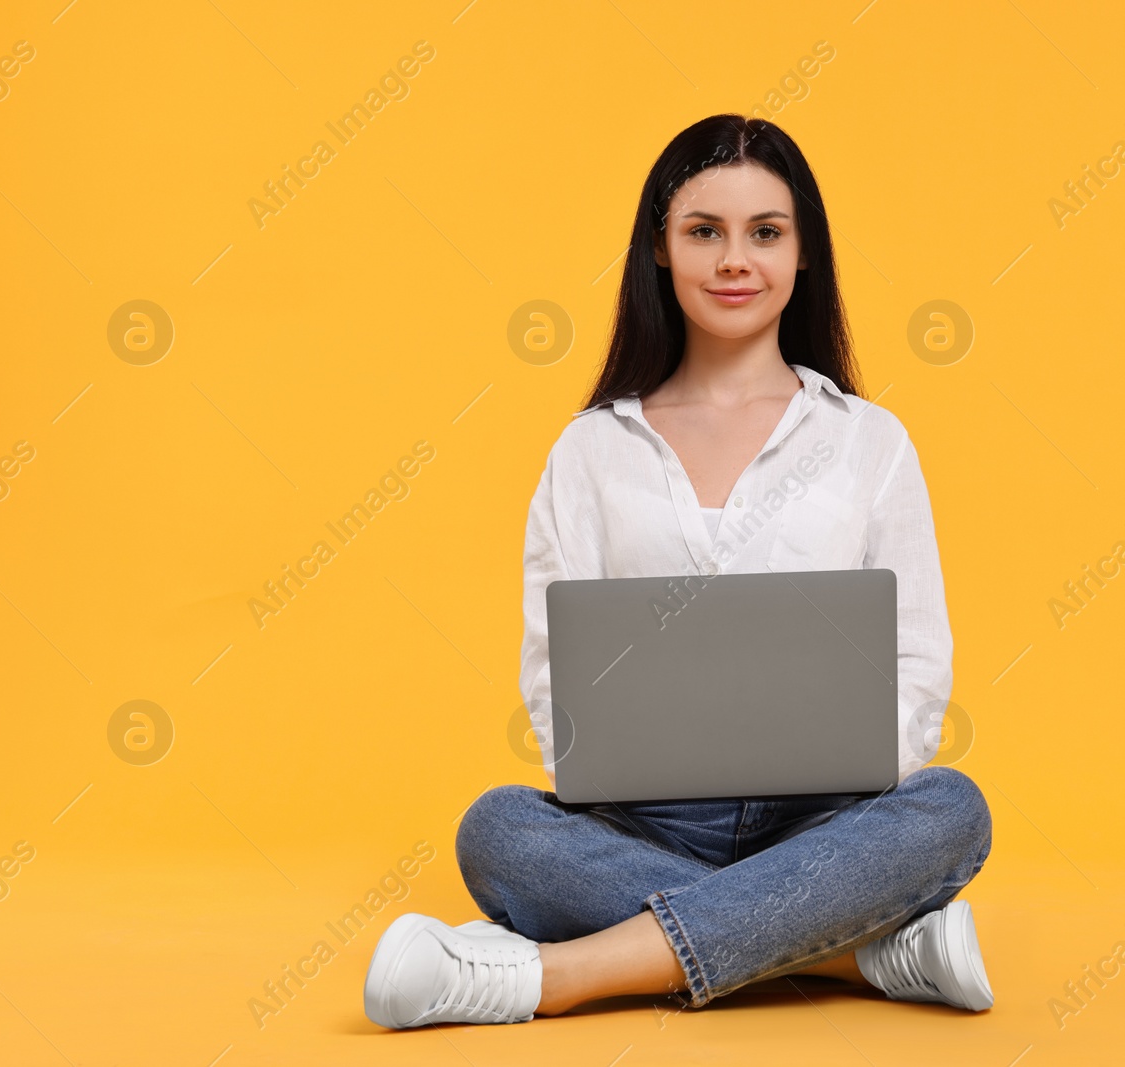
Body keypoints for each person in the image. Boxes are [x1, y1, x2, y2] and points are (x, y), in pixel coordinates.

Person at [362, 114, 993, 1029]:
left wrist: (841, 795)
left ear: (803, 252)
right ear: (659, 248)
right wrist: (808, 896)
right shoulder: (589, 452)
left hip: (823, 821)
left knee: (953, 809)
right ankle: (854, 949)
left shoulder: (870, 443)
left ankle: (552, 976)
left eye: (764, 233)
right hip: (646, 821)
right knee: (499, 828)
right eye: (704, 231)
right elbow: (553, 678)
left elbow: (918, 670)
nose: (735, 259)